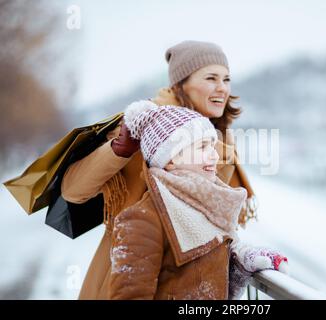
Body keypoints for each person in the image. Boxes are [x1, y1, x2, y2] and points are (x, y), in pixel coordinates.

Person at [61, 40, 258, 299]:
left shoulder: (218, 139)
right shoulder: (143, 129)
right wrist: (120, 149)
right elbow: (73, 191)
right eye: (211, 78)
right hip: (126, 278)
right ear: (181, 84)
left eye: (226, 79)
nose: (222, 88)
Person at [109, 100, 287, 299]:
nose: (214, 155)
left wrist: (239, 262)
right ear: (171, 158)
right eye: (203, 147)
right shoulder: (141, 219)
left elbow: (203, 276)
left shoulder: (207, 205)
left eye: (212, 145)